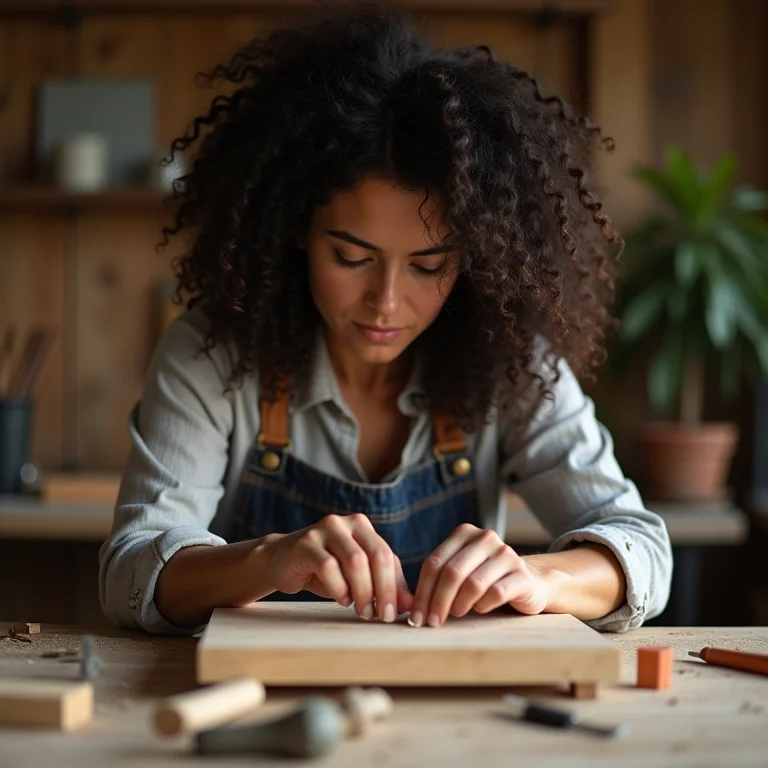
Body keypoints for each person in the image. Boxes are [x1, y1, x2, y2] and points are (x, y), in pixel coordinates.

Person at [98, 2, 672, 636]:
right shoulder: (212, 354)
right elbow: (130, 568)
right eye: (351, 256)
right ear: (294, 228)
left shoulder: (509, 361)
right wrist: (270, 559)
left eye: (429, 267)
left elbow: (641, 548)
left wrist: (543, 579)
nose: (386, 302)